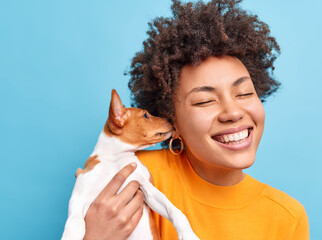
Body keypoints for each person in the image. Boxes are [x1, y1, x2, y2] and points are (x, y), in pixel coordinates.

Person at [84, 0, 310, 239]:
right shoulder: (135, 173)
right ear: (174, 123)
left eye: (244, 94)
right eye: (204, 101)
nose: (233, 112)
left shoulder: (287, 217)